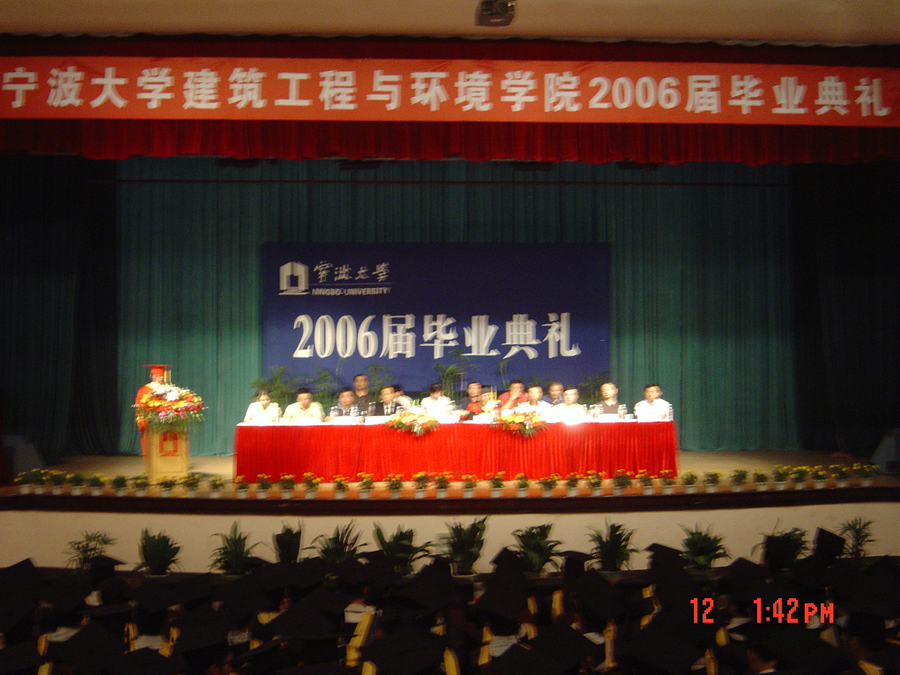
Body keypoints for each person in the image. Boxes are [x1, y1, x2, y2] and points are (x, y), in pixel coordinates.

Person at [134, 365, 169, 457]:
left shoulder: (167, 388)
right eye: (160, 376)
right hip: (151, 420)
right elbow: (140, 405)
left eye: (162, 376)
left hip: (164, 420)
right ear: (153, 376)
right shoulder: (145, 389)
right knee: (151, 444)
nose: (162, 378)